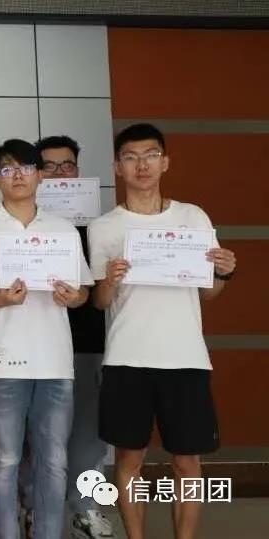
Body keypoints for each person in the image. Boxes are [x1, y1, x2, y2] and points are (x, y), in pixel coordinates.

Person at [89, 124, 236, 539]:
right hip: (126, 357)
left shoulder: (193, 217)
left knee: (187, 462)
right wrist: (110, 280)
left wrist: (224, 272)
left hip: (185, 357)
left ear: (165, 162)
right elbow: (100, 301)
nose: (142, 165)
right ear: (118, 167)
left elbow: (209, 292)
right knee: (129, 460)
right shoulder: (104, 227)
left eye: (151, 155)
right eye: (131, 157)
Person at [0, 139, 92, 539]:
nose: (17, 175)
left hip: (54, 362)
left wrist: (73, 297)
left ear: (39, 175)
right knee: (4, 460)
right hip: (1, 362)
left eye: (26, 167)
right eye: (7, 169)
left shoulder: (62, 229)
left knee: (54, 461)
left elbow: (83, 291)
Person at [35, 135, 113, 539]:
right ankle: (31, 508)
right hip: (35, 344)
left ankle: (86, 509)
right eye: (48, 166)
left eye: (66, 165)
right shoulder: (20, 223)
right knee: (34, 435)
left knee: (87, 435)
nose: (58, 174)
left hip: (86, 341)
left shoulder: (100, 226)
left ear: (78, 170)